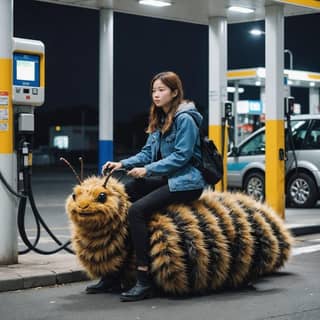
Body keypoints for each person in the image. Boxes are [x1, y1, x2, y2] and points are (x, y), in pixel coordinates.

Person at [86, 71, 206, 301]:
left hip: (186, 181)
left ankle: (144, 278)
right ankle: (113, 273)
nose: (156, 95)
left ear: (174, 92)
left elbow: (182, 156)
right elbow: (147, 153)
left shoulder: (186, 118)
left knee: (136, 211)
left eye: (161, 90)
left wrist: (148, 170)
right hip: (165, 178)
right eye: (153, 90)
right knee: (118, 199)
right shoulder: (159, 118)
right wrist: (121, 163)